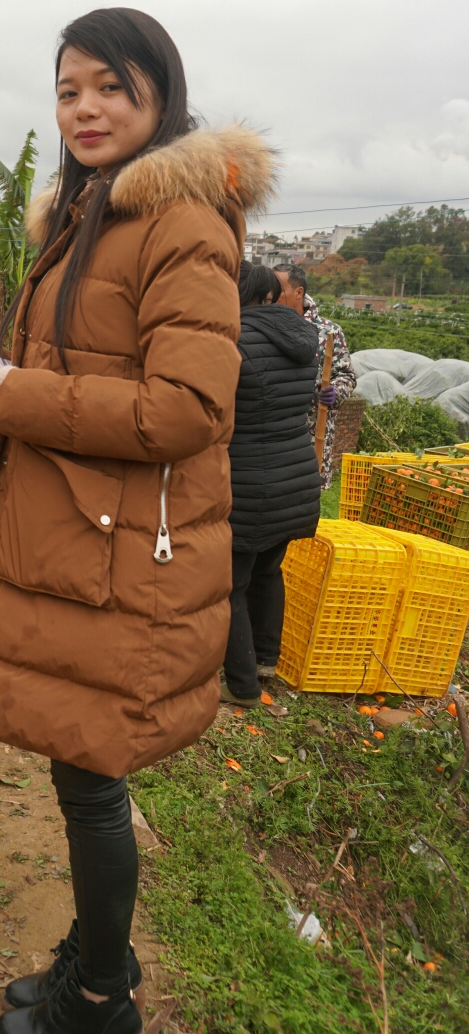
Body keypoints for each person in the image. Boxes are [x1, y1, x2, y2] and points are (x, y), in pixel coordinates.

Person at [0, 7, 276, 1034]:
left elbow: (185, 411)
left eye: (111, 85)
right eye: (68, 88)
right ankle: (92, 956)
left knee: (91, 769)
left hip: (125, 555)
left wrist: (13, 392)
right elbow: (87, 367)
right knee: (81, 770)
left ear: (159, 95)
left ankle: (105, 991)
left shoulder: (180, 223)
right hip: (82, 544)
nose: (85, 107)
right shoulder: (86, 217)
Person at [222, 263, 321, 706]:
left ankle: (242, 686)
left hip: (250, 480)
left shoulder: (235, 340)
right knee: (267, 571)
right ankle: (265, 662)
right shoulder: (304, 338)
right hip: (295, 475)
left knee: (230, 585)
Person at [275, 265, 356, 488]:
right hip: (275, 432)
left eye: (278, 289)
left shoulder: (328, 332)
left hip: (313, 434)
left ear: (298, 292)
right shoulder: (267, 327)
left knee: (306, 497)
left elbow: (346, 375)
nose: (271, 295)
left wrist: (336, 391)